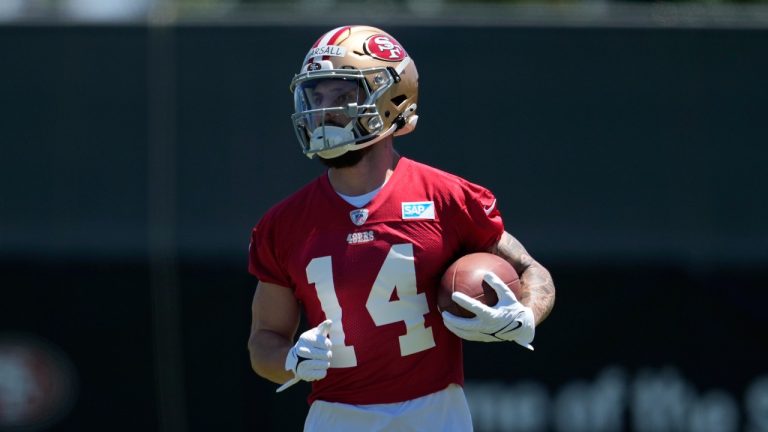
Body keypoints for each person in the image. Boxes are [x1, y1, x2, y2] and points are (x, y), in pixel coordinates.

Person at [247, 25, 555, 431]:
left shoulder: (446, 197)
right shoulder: (283, 225)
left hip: (435, 414)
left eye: (343, 95)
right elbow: (264, 340)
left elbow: (533, 270)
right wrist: (289, 361)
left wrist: (525, 315)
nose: (324, 111)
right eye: (316, 96)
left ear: (393, 100)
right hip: (336, 418)